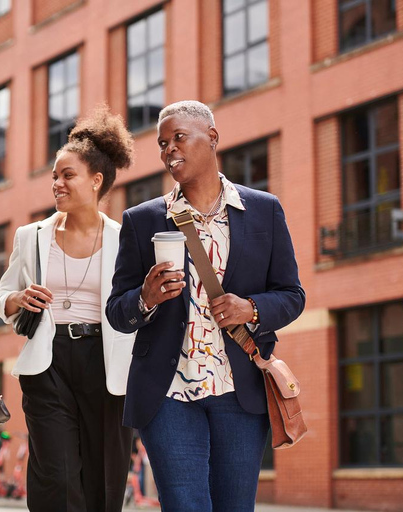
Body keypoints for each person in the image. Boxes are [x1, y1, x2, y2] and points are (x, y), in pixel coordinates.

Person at [106, 100, 306, 511]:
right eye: (163, 143)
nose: (169, 150)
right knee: (184, 505)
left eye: (179, 137)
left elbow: (292, 295)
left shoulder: (264, 211)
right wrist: (144, 299)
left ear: (212, 137)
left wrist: (249, 308)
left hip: (240, 391)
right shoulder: (143, 220)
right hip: (167, 393)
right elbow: (116, 310)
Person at [0, 106, 136, 512]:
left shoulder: (124, 239)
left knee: (103, 480)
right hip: (48, 361)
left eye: (67, 175)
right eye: (54, 175)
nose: (57, 183)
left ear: (96, 180)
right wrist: (17, 300)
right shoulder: (31, 236)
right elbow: (1, 295)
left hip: (105, 363)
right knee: (55, 477)